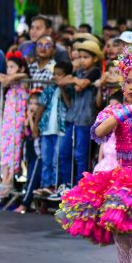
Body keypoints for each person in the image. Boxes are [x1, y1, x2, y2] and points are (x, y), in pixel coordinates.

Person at [55, 38, 132, 263]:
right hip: (125, 180)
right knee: (122, 227)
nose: (131, 86)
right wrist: (130, 109)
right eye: (128, 80)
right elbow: (99, 131)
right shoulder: (116, 111)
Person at [56, 40, 102, 190]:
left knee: (80, 155)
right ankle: (66, 184)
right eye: (80, 56)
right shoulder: (79, 73)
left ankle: (79, 187)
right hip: (72, 118)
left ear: (95, 58)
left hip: (85, 119)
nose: (81, 60)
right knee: (64, 152)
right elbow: (62, 81)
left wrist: (74, 81)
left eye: (86, 57)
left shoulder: (95, 72)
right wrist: (75, 79)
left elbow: (79, 87)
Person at [0, 53, 30, 196]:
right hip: (8, 121)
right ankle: (3, 179)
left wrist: (13, 76)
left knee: (15, 149)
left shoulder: (23, 81)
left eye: (12, 67)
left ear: (20, 68)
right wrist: (10, 76)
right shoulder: (9, 81)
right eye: (8, 67)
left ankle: (9, 180)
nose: (9, 70)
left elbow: (24, 76)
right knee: (5, 149)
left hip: (18, 122)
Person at [32, 61, 72, 197]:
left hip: (60, 130)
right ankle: (45, 185)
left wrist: (62, 88)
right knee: (46, 159)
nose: (55, 77)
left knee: (56, 160)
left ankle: (55, 186)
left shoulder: (68, 89)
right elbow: (41, 106)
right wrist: (36, 125)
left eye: (59, 75)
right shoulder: (49, 88)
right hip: (47, 129)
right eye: (54, 74)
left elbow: (68, 105)